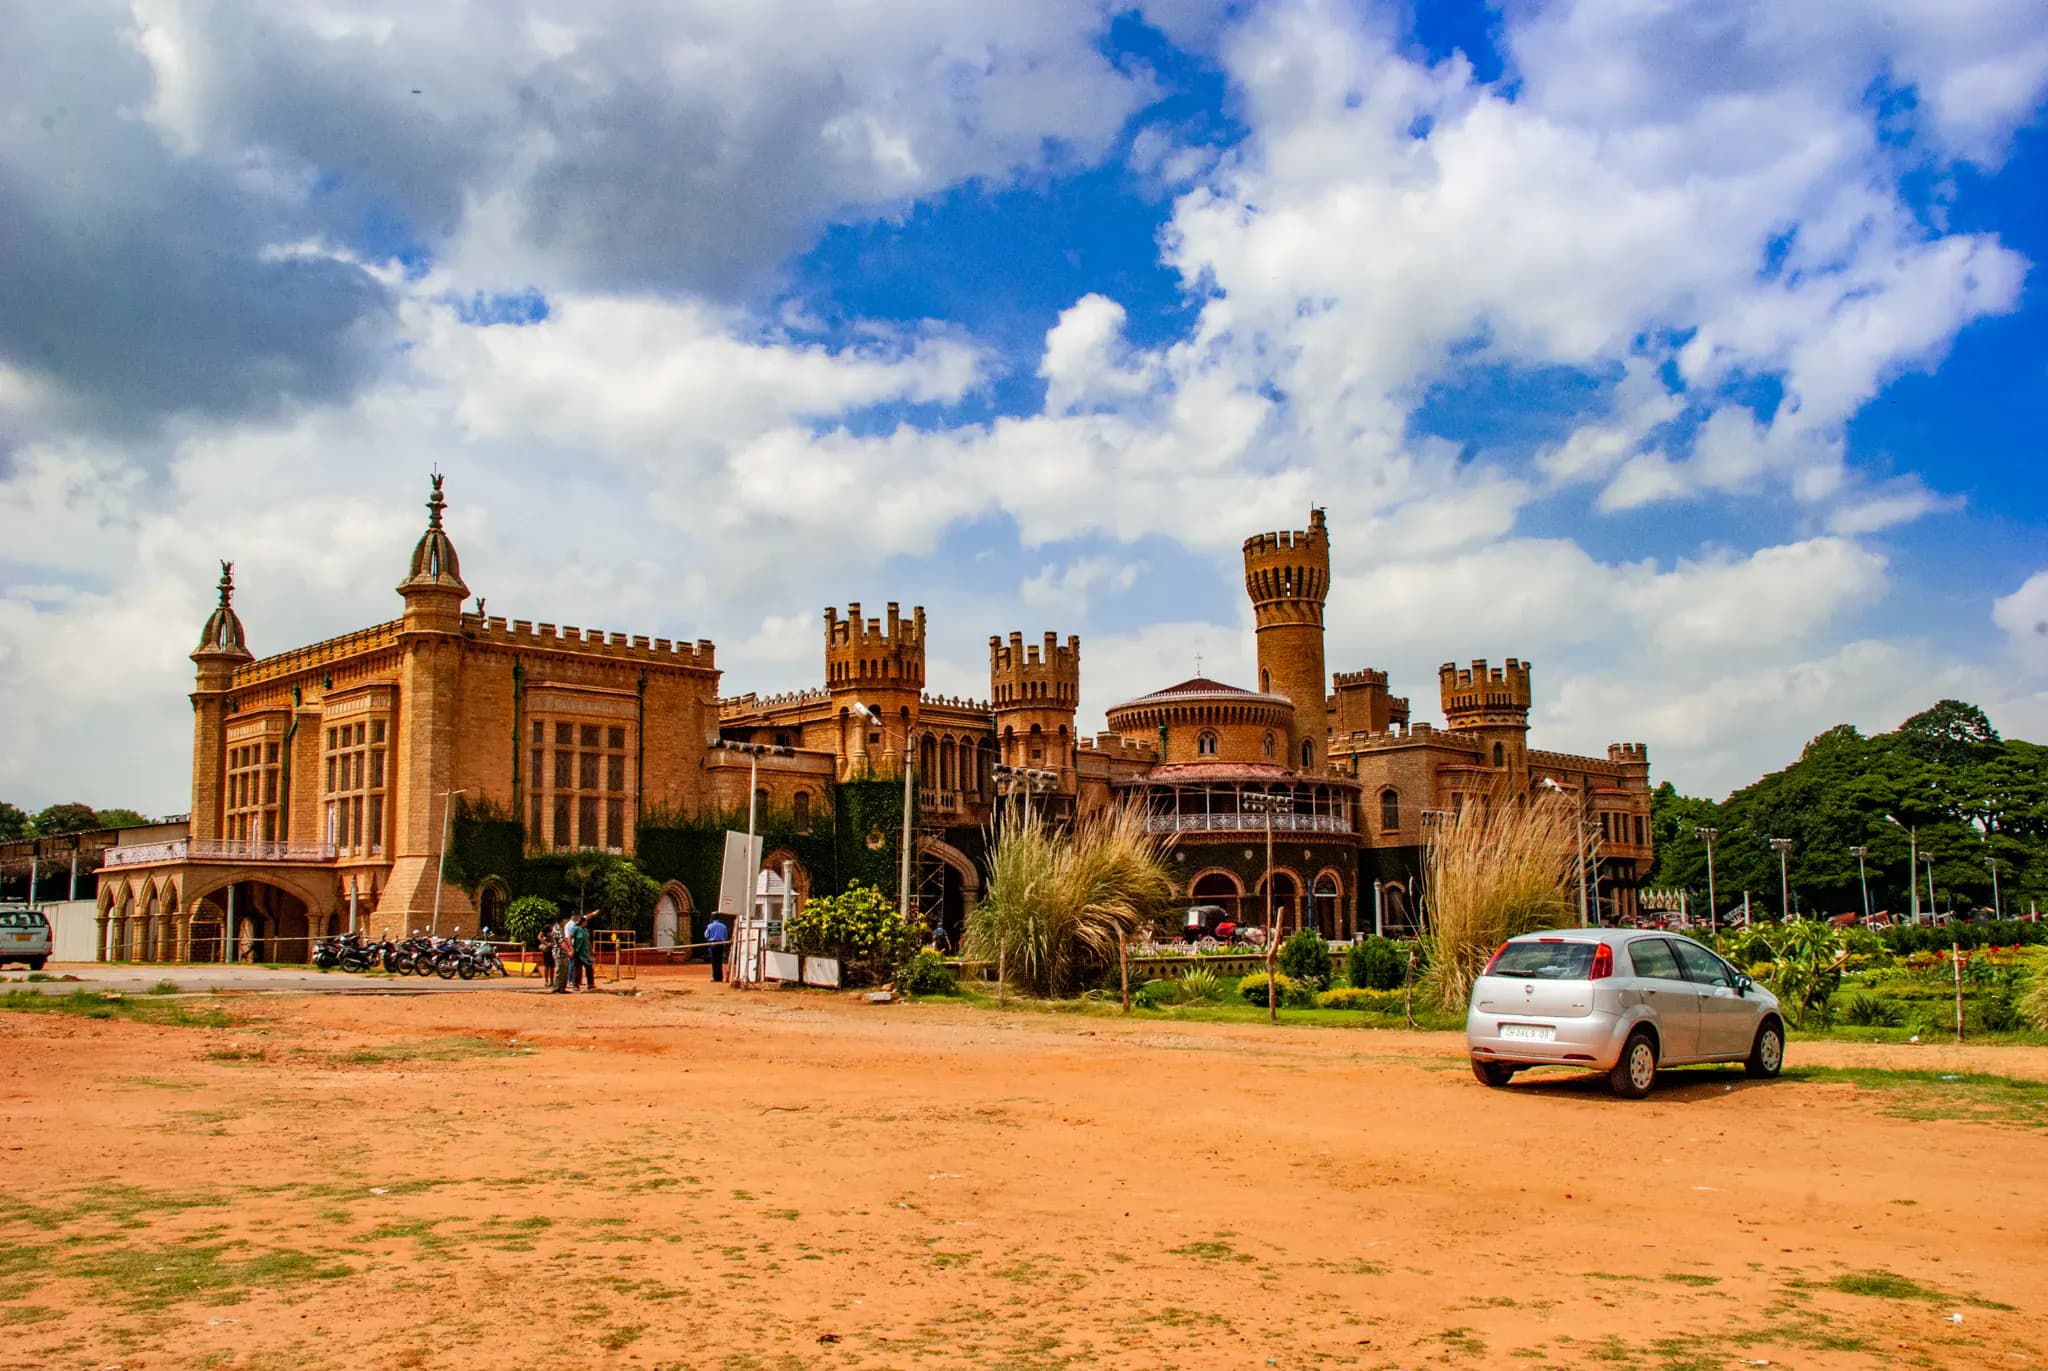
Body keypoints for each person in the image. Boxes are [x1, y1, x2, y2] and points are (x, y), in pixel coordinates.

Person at [554, 915, 577, 993]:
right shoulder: (557, 929)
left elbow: (565, 940)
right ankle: (557, 987)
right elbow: (561, 942)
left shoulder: (561, 929)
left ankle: (562, 988)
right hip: (559, 953)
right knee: (560, 970)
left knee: (564, 970)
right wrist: (568, 951)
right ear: (561, 921)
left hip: (563, 953)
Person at [705, 914, 730, 983]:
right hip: (721, 945)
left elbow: (706, 935)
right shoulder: (723, 926)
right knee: (719, 961)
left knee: (714, 961)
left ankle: (716, 977)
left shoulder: (710, 926)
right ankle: (720, 977)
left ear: (712, 918)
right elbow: (725, 936)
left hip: (713, 944)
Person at [573, 914, 596, 991]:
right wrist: (571, 949)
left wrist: (591, 949)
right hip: (578, 952)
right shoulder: (576, 929)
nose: (586, 923)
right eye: (585, 922)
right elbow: (569, 938)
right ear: (582, 922)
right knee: (578, 970)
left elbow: (588, 941)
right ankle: (576, 985)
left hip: (586, 952)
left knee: (589, 968)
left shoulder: (586, 930)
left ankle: (590, 984)